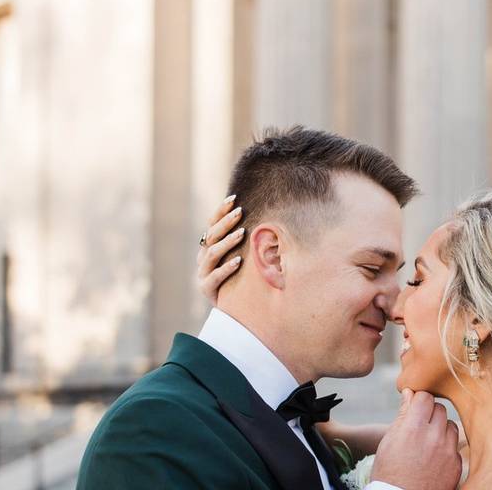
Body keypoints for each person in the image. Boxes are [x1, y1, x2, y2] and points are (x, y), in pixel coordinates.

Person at [201, 177, 492, 488]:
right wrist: (247, 298)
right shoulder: (451, 449)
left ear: (478, 318)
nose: (395, 307)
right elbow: (303, 430)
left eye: (417, 280)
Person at [78, 127, 462, 490]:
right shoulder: (150, 431)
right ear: (274, 256)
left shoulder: (301, 426)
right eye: (371, 269)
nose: (396, 303)